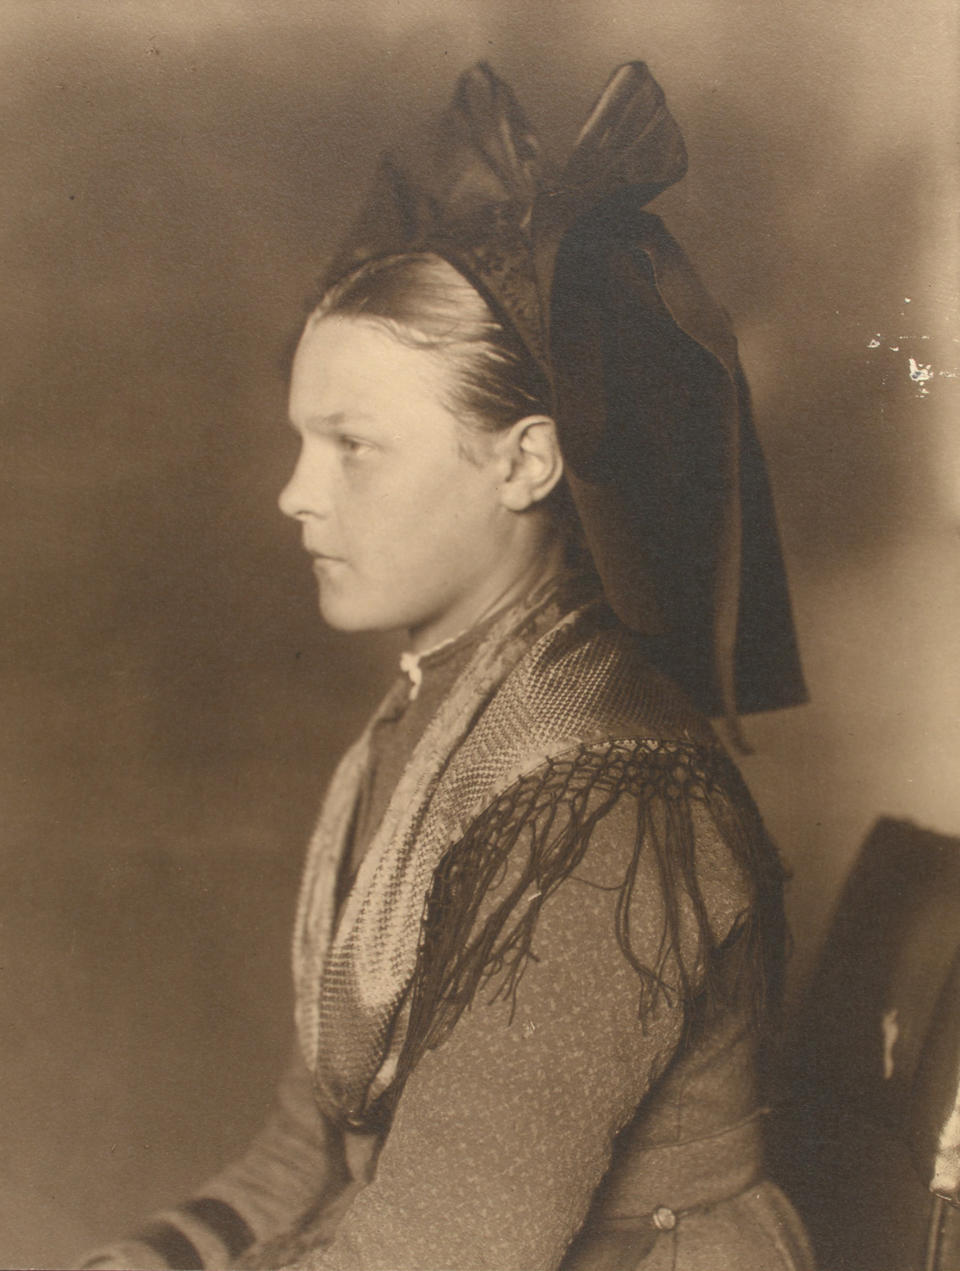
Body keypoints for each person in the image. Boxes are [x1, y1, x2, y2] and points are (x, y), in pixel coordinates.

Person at [80, 61, 813, 1271]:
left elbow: (442, 1246)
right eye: (301, 440)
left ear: (527, 462)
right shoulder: (433, 723)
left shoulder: (606, 794)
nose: (295, 494)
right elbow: (313, 1147)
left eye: (352, 445)